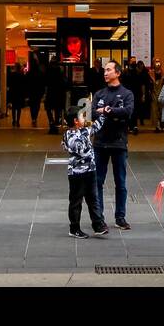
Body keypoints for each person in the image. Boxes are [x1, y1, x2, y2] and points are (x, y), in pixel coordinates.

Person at [92, 60, 135, 230]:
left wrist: (108, 111)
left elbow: (127, 112)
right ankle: (99, 216)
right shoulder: (99, 94)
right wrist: (113, 112)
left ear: (118, 73)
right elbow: (93, 114)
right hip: (100, 143)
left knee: (121, 182)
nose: (105, 73)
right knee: (98, 182)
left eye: (109, 70)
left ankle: (120, 216)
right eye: (104, 70)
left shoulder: (127, 94)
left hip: (119, 143)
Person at [62, 100, 109, 238]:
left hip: (90, 171)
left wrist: (104, 114)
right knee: (76, 200)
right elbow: (80, 149)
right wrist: (86, 134)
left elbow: (97, 126)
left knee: (93, 198)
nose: (85, 119)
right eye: (83, 117)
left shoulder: (85, 130)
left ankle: (98, 225)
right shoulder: (69, 135)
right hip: (77, 173)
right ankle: (74, 228)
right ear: (76, 121)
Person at [44, 61, 67, 133]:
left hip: (50, 93)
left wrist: (45, 93)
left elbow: (45, 83)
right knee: (57, 109)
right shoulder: (60, 73)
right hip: (59, 94)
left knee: (48, 109)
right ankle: (56, 123)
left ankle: (51, 122)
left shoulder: (48, 72)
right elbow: (64, 83)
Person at [25, 58, 45, 128]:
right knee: (37, 105)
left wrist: (26, 92)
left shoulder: (29, 73)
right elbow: (42, 84)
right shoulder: (40, 74)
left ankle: (33, 117)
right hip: (38, 92)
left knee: (32, 105)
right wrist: (43, 92)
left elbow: (26, 83)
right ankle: (35, 117)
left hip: (31, 91)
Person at [7, 62, 25, 127]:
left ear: (15, 67)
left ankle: (14, 120)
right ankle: (18, 121)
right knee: (19, 108)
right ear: (20, 67)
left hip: (13, 92)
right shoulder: (22, 75)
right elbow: (24, 84)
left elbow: (9, 84)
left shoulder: (12, 75)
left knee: (14, 107)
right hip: (19, 93)